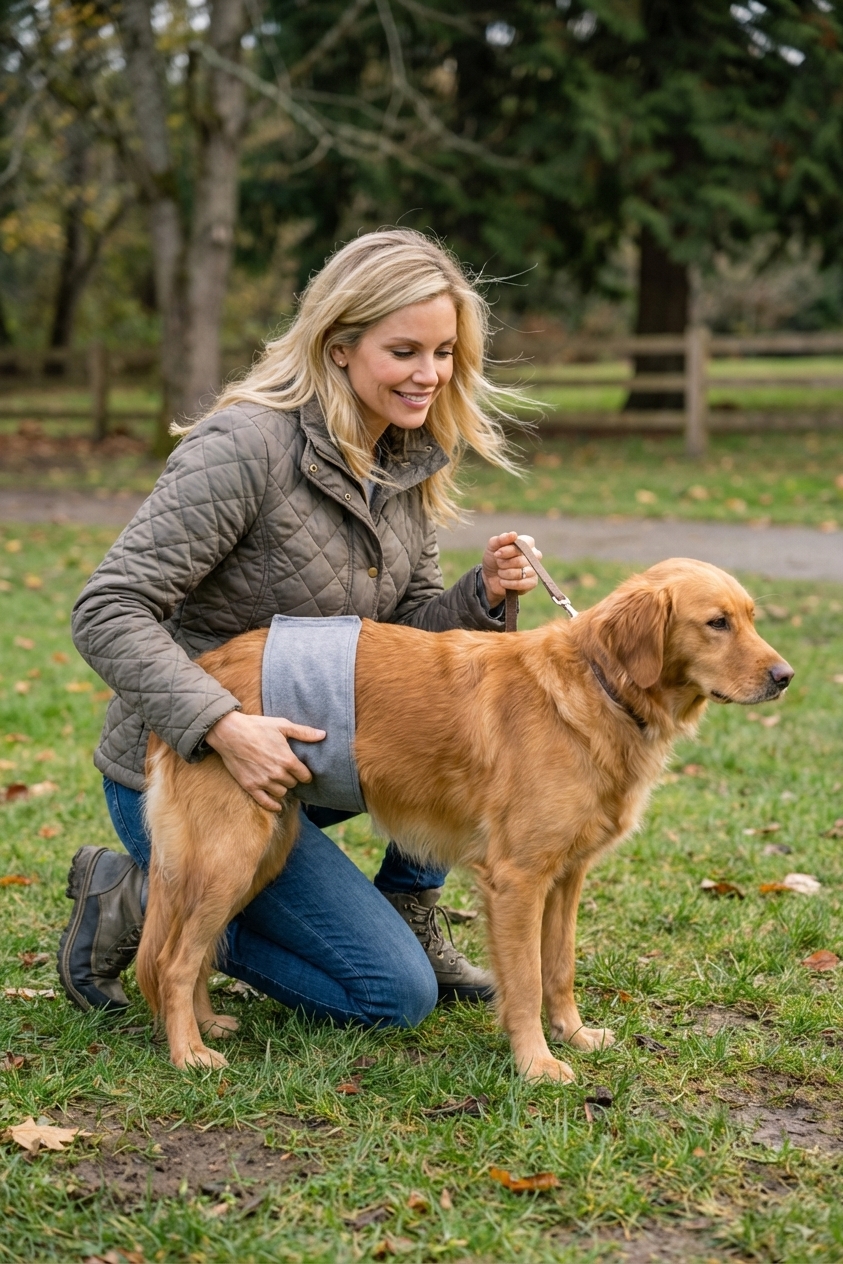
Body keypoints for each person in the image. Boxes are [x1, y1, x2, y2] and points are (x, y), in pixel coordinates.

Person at [58, 228, 540, 1030]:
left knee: (472, 736)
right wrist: (221, 725)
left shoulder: (406, 457)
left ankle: (399, 905)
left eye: (445, 352)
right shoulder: (243, 445)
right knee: (389, 995)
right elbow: (106, 609)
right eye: (404, 351)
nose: (429, 375)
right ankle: (139, 895)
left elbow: (407, 646)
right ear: (341, 345)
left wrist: (482, 595)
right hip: (189, 765)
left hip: (308, 767)